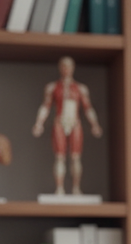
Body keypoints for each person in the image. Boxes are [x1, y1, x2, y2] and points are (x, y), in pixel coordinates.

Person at [32, 56, 102, 196]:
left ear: (73, 68)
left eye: (69, 66)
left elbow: (88, 108)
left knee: (76, 157)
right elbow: (46, 106)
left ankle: (76, 188)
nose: (66, 69)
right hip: (60, 122)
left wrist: (95, 124)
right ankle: (59, 189)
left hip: (74, 122)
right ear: (60, 68)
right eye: (63, 66)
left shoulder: (80, 89)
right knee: (60, 156)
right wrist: (39, 123)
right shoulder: (53, 87)